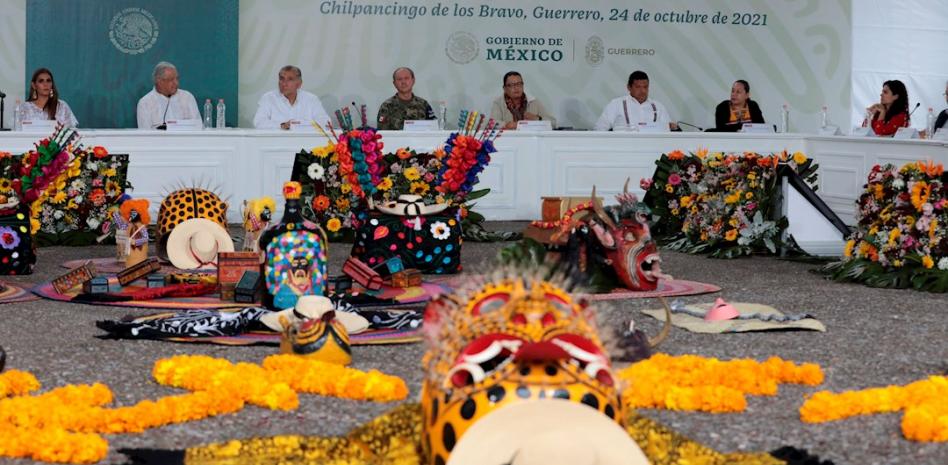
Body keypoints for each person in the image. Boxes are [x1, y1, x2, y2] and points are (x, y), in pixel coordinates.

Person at [594, 71, 678, 131]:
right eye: (638, 87)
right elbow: (600, 128)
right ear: (629, 87)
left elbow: (668, 130)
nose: (643, 91)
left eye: (645, 87)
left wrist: (672, 127)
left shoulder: (658, 106)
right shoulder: (616, 104)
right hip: (622, 146)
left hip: (652, 147)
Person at [253, 66, 331, 130]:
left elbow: (326, 123)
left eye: (290, 79)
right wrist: (281, 125)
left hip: (305, 142)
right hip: (276, 142)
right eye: (281, 79)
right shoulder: (268, 98)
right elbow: (259, 122)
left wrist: (299, 124)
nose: (284, 84)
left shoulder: (311, 99)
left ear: (299, 84)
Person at [136, 62, 200, 129]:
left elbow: (198, 127)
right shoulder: (145, 103)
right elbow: (145, 133)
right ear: (159, 81)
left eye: (177, 79)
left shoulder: (187, 97)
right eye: (171, 79)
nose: (176, 83)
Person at [490, 71, 556, 129]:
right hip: (508, 138)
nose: (516, 88)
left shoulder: (533, 101)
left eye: (519, 84)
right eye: (512, 85)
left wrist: (537, 119)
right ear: (505, 88)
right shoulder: (498, 102)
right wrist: (508, 125)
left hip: (530, 138)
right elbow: (492, 124)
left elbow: (553, 123)